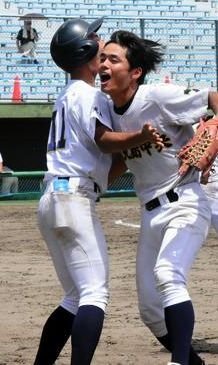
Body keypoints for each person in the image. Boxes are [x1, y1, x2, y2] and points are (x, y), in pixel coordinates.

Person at [34, 18, 162, 365]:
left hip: (54, 197)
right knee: (93, 293)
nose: (100, 43)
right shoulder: (89, 94)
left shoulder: (67, 94)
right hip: (73, 197)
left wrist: (135, 151)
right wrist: (141, 136)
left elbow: (109, 162)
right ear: (86, 50)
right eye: (94, 39)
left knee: (75, 296)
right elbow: (104, 142)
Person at [99, 30, 218, 365]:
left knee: (169, 275)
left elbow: (216, 97)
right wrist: (94, 188)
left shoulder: (157, 96)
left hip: (185, 199)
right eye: (103, 58)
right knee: (149, 310)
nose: (104, 64)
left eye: (114, 59)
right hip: (150, 212)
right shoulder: (109, 110)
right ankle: (192, 361)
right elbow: (120, 159)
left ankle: (179, 363)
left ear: (135, 72)